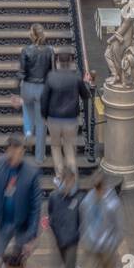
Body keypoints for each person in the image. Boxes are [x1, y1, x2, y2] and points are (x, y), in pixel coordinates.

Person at [0, 132, 42, 263]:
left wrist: (32, 234)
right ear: (7, 150)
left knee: (19, 262)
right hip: (4, 221)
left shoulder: (31, 173)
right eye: (11, 151)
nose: (14, 155)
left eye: (18, 151)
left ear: (22, 152)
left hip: (22, 224)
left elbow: (36, 206)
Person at [41, 48, 92, 185]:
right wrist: (86, 82)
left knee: (56, 147)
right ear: (70, 62)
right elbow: (86, 95)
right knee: (69, 148)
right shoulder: (76, 77)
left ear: (57, 62)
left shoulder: (51, 77)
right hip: (71, 119)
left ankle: (59, 176)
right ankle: (73, 177)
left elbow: (44, 99)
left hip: (53, 118)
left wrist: (44, 116)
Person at [79, 170, 124, 268]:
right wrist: (86, 240)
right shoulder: (87, 201)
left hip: (108, 250)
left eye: (100, 188)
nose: (98, 191)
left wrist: (111, 245)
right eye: (95, 188)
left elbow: (119, 229)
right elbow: (84, 222)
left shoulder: (113, 204)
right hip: (91, 248)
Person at [48, 168, 83, 268]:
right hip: (59, 239)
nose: (68, 186)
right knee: (67, 264)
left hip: (73, 241)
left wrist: (77, 234)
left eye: (71, 182)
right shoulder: (54, 197)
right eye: (66, 182)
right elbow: (51, 215)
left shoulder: (79, 198)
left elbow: (82, 220)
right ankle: (72, 265)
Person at [18, 22, 54, 164]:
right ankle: (40, 156)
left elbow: (21, 72)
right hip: (42, 88)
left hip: (27, 86)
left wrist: (15, 90)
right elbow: (52, 72)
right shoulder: (50, 50)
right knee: (41, 123)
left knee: (27, 111)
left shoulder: (25, 50)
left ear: (31, 35)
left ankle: (27, 133)